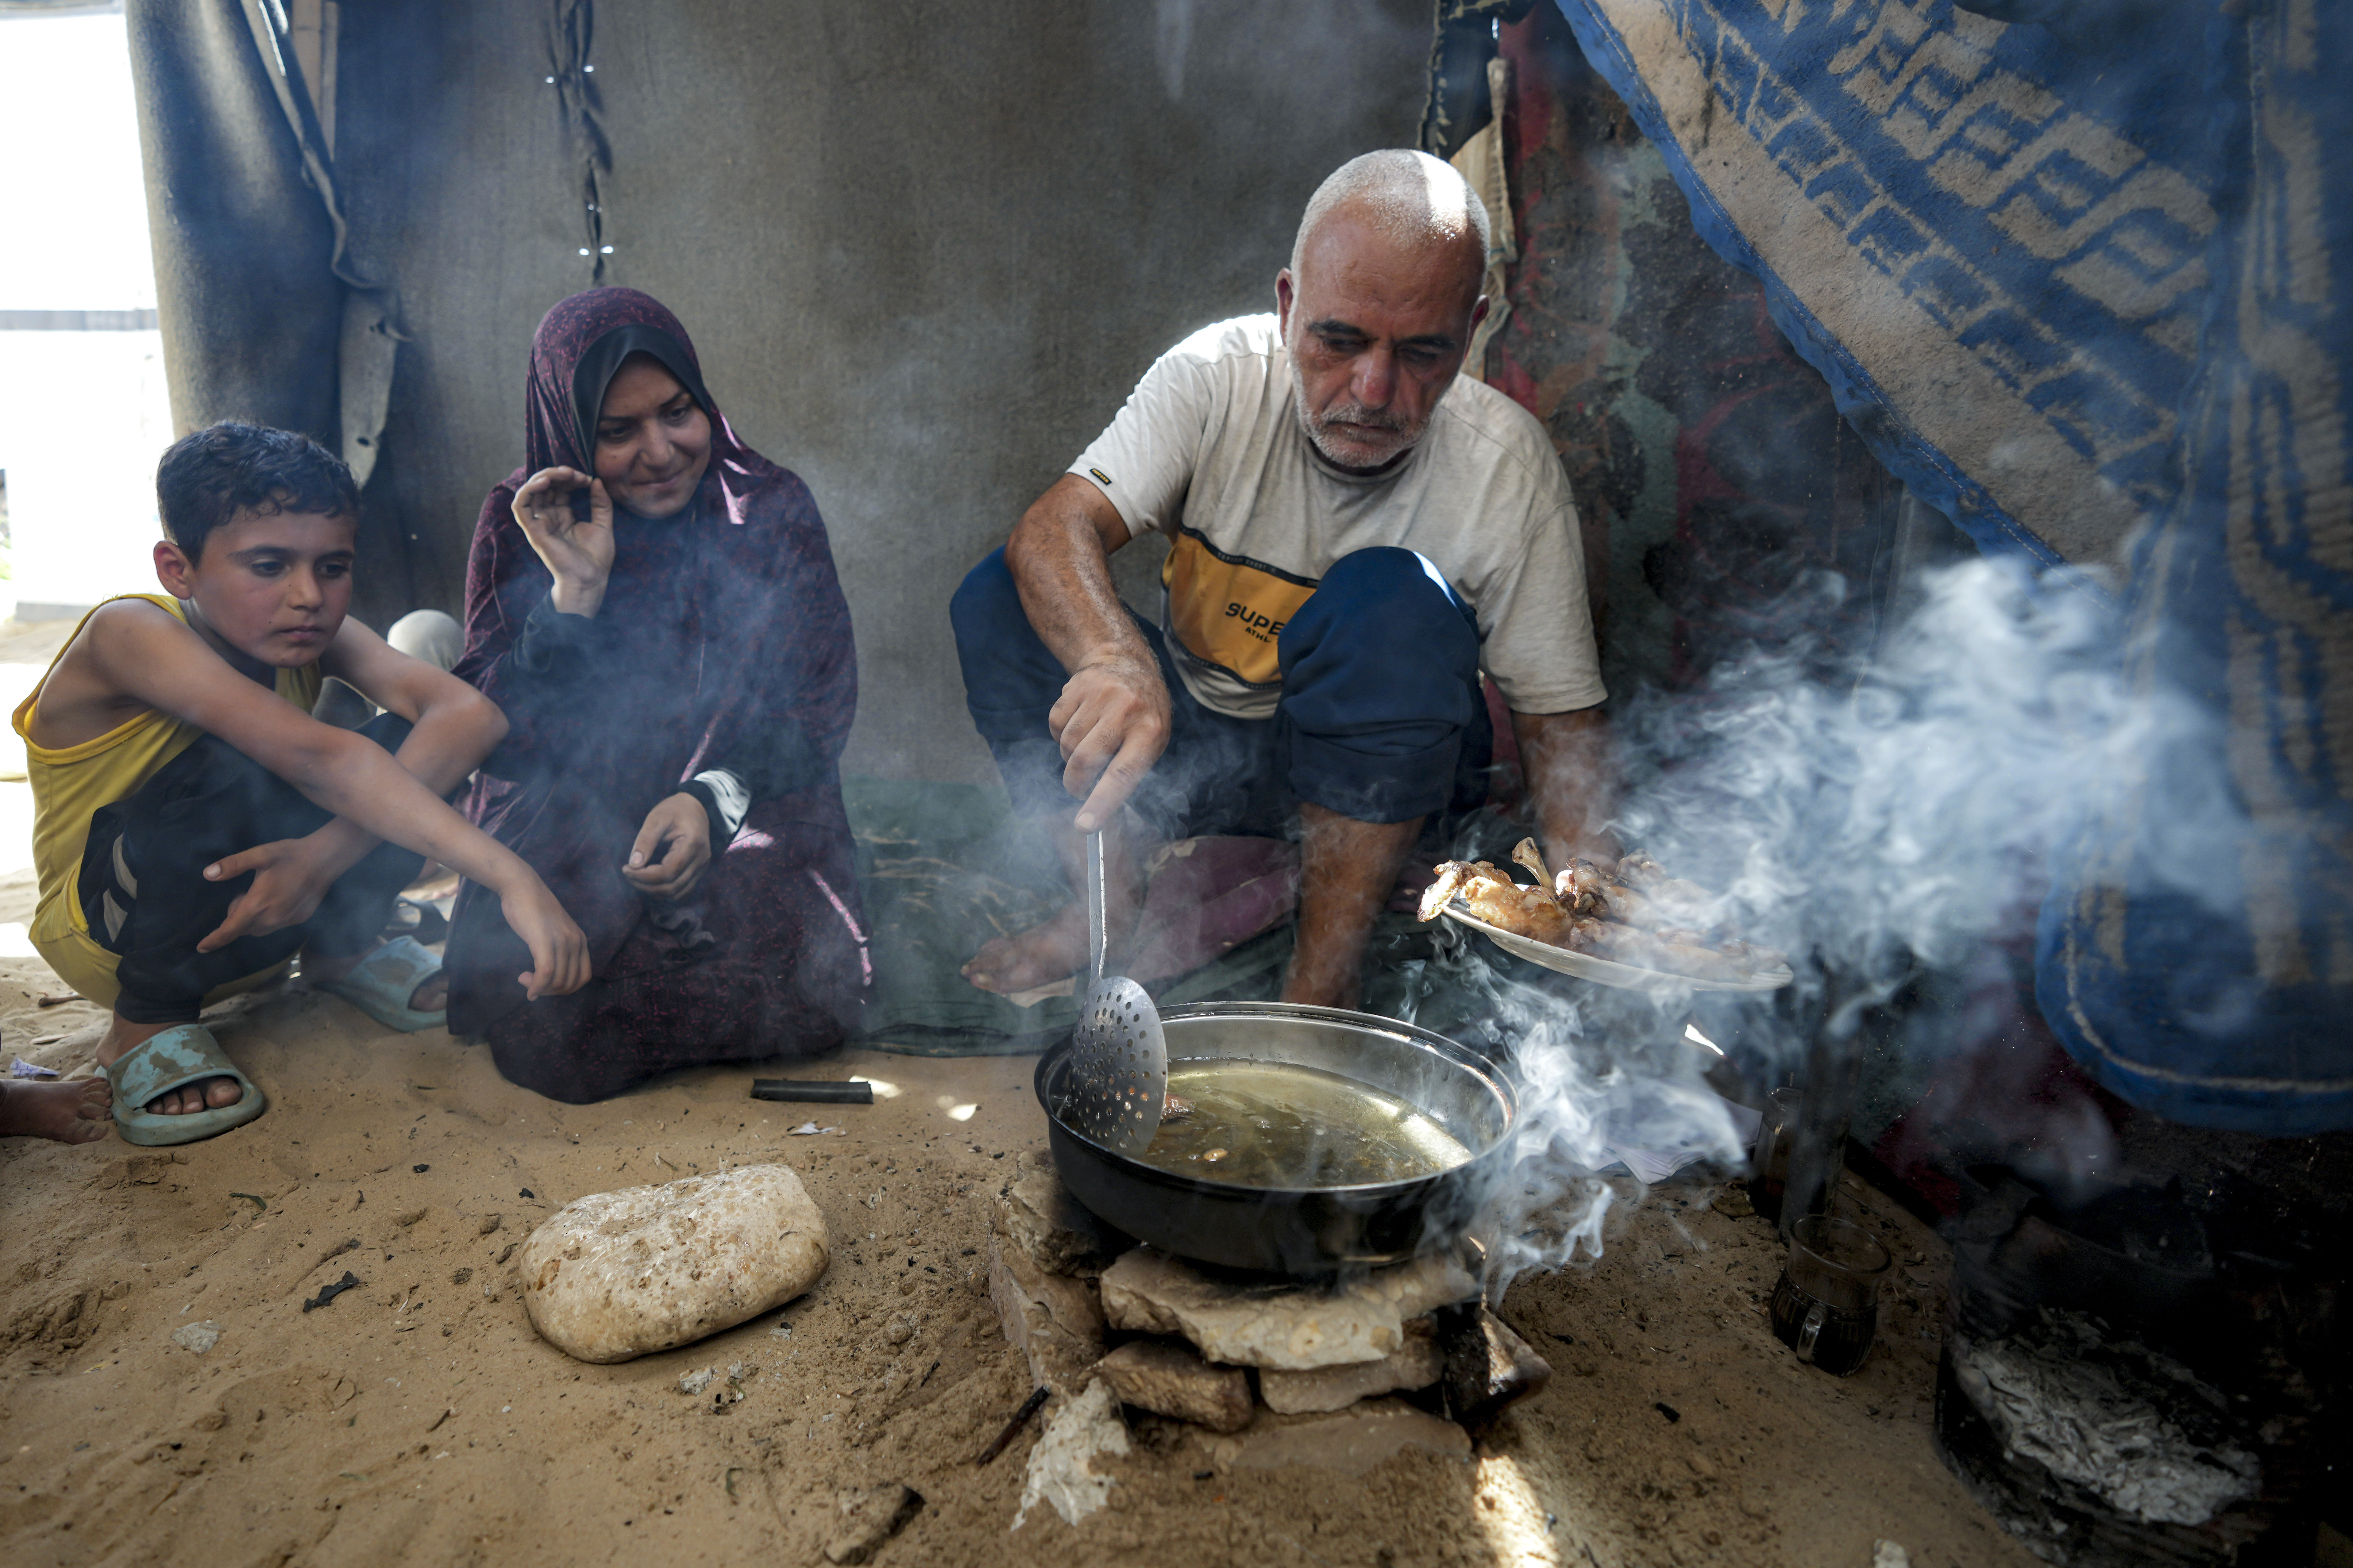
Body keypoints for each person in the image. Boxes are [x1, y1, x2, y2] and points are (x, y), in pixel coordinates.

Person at [951, 149, 1613, 1009]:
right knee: (1000, 596)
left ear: (1473, 327)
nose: (1374, 390)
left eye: (1422, 354)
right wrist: (1114, 660)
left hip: (1382, 780)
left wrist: (1593, 908)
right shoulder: (1213, 379)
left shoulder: (1506, 467)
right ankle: (1099, 908)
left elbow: (1562, 726)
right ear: (1287, 304)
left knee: (1392, 597)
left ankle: (1316, 995)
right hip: (1204, 754)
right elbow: (1052, 530)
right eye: (1338, 341)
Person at [13, 423, 591, 1145]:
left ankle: (342, 950)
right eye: (268, 566)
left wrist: (323, 860)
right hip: (114, 934)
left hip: (274, 912)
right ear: (178, 569)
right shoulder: (128, 632)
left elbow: (469, 716)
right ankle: (142, 1030)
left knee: (412, 744)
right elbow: (324, 763)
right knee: (265, 758)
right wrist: (514, 879)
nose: (307, 596)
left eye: (333, 566)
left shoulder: (317, 633)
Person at [445, 287, 868, 1103]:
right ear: (568, 431)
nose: (661, 450)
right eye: (616, 431)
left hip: (746, 800)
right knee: (555, 1025)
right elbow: (504, 738)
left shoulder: (768, 507)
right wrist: (575, 589)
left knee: (816, 986)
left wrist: (709, 803)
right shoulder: (523, 519)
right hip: (576, 814)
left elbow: (817, 703)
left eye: (678, 412)